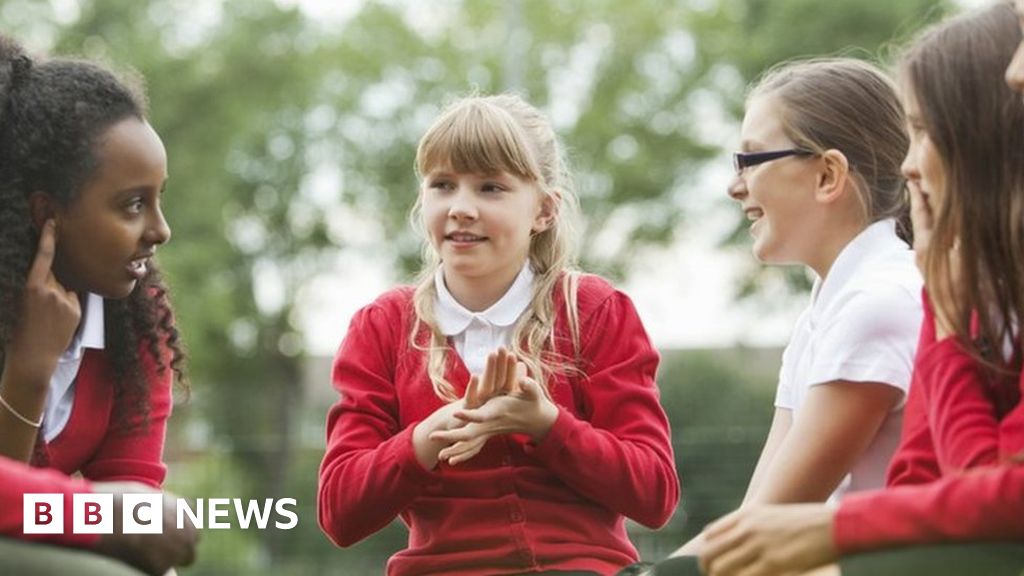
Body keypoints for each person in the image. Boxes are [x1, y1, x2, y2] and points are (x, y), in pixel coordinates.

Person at [691, 4, 1024, 576]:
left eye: (922, 131)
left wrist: (838, 532)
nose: (909, 164)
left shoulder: (881, 298)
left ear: (828, 176)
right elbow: (931, 480)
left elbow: (997, 499)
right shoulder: (871, 298)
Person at [317, 93, 679, 575]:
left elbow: (655, 495)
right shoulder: (383, 327)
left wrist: (547, 425)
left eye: (491, 188)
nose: (461, 207)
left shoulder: (594, 311)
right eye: (443, 185)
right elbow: (340, 513)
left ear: (544, 211)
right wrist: (428, 435)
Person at [668, 57, 922, 564]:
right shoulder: (826, 313)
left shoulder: (878, 302)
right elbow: (752, 517)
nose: (734, 186)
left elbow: (771, 520)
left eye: (751, 160)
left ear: (828, 174)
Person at [0, 35, 197, 575]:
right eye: (133, 204)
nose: (161, 230)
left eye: (159, 199)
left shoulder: (138, 320)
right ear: (47, 212)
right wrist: (27, 373)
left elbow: (138, 508)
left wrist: (123, 521)